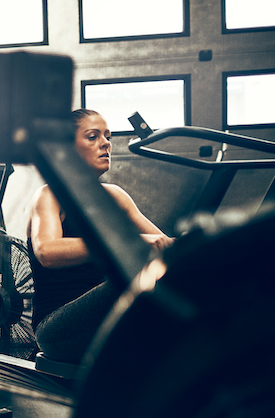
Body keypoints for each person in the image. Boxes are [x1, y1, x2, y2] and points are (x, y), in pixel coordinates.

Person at [26, 109, 173, 364]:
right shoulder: (50, 195)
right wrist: (131, 243)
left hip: (106, 322)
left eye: (108, 136)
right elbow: (47, 253)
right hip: (57, 329)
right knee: (136, 275)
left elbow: (165, 245)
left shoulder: (116, 196)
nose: (106, 143)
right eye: (93, 137)